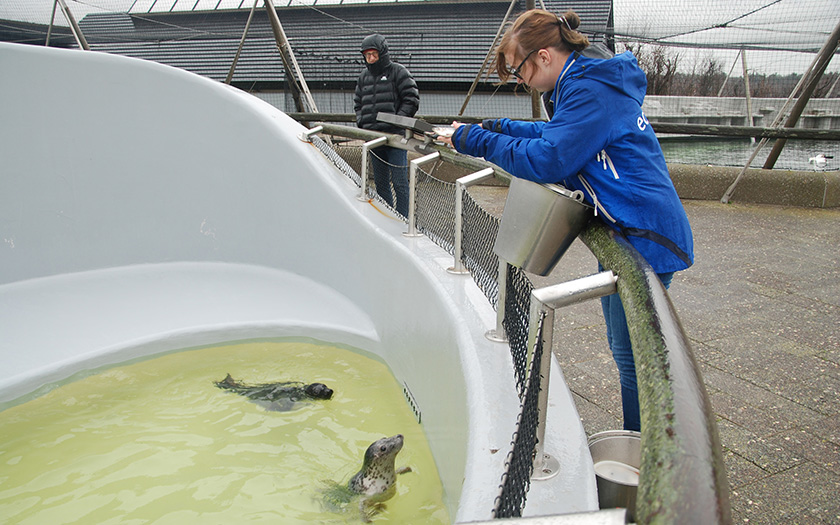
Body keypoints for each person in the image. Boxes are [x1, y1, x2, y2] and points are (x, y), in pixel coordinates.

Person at [440, 9, 694, 433]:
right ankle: (644, 441)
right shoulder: (585, 81)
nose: (519, 80)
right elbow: (552, 135)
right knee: (628, 350)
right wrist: (493, 126)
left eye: (518, 69)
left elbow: (549, 158)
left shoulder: (590, 88)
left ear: (542, 57)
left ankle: (643, 453)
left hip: (645, 234)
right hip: (627, 228)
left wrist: (477, 139)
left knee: (635, 359)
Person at [354, 34, 420, 217]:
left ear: (382, 53)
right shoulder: (363, 78)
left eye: (374, 55)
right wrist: (362, 121)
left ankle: (404, 218)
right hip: (374, 138)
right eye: (367, 56)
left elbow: (411, 98)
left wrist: (398, 120)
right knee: (381, 182)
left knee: (400, 182)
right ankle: (387, 217)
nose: (371, 59)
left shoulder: (398, 72)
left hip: (395, 139)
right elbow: (358, 104)